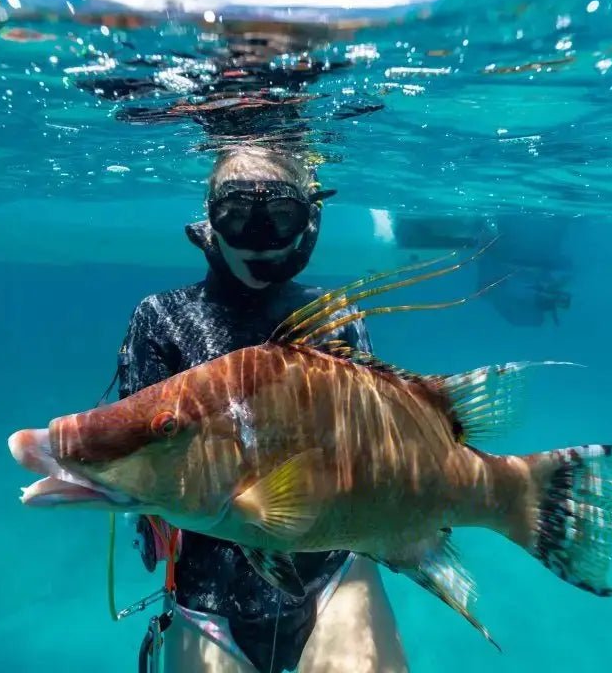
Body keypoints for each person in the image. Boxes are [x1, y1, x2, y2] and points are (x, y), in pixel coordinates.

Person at [114, 144, 409, 673]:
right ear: (209, 221)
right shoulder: (161, 319)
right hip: (206, 598)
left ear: (309, 222)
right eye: (236, 216)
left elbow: (373, 447)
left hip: (332, 575)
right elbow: (141, 462)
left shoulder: (337, 316)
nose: (259, 240)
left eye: (280, 216)